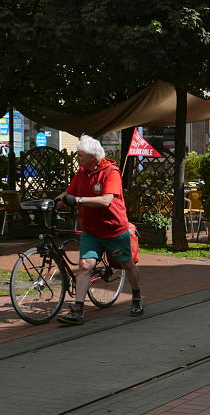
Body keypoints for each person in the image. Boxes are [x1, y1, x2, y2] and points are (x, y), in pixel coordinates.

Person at [55, 135, 143, 325]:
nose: (77, 159)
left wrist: (78, 200)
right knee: (85, 266)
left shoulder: (111, 172)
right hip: (92, 230)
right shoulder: (82, 172)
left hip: (113, 230)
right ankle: (78, 311)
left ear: (93, 157)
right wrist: (57, 200)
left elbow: (105, 200)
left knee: (127, 264)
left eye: (80, 156)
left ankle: (136, 297)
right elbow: (69, 192)